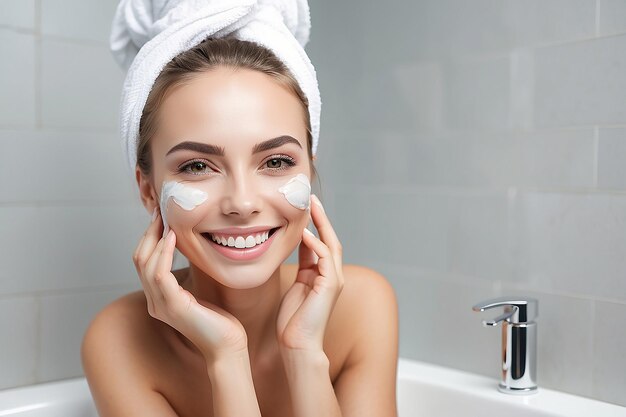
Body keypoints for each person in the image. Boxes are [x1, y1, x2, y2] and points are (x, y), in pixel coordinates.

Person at [81, 3, 398, 417]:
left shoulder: (361, 307)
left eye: (276, 161)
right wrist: (226, 357)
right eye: (197, 166)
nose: (243, 203)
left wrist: (304, 354)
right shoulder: (118, 340)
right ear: (148, 189)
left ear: (310, 167)